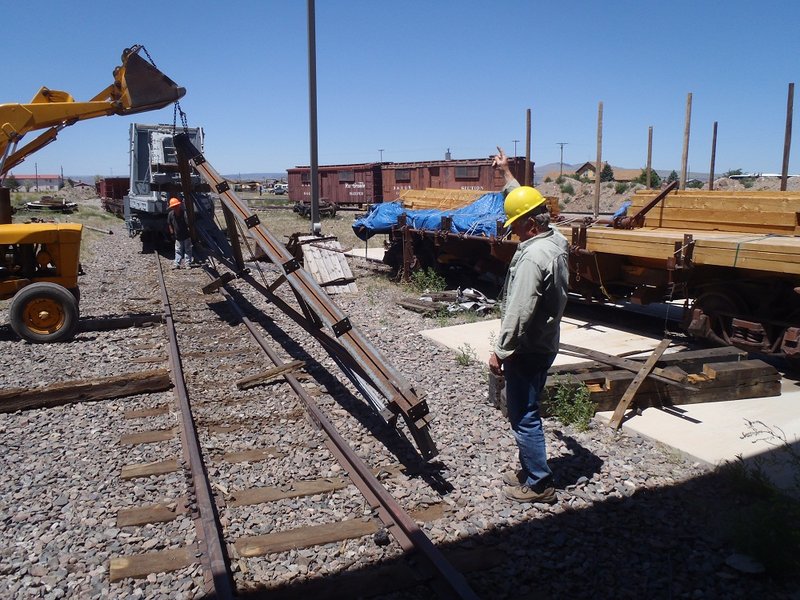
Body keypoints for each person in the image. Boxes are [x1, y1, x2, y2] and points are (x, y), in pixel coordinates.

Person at [489, 146, 570, 504]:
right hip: (545, 342)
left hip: (527, 348)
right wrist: (507, 174)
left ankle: (539, 483)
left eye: (517, 227)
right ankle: (530, 467)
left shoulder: (533, 258)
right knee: (526, 407)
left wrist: (500, 350)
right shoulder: (554, 240)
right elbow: (524, 201)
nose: (514, 233)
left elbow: (520, 312)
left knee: (523, 414)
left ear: (532, 224)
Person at [167, 197, 193, 269]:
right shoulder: (170, 214)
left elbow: (189, 224)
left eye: (176, 206)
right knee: (178, 250)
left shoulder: (184, 213)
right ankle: (177, 264)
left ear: (179, 205)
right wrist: (172, 234)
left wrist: (190, 233)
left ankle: (187, 263)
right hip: (178, 236)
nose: (175, 208)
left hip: (186, 235)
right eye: (173, 207)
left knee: (187, 249)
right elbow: (169, 224)